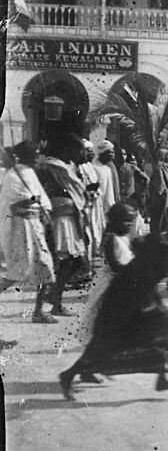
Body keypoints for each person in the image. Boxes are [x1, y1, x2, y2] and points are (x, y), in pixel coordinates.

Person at [58, 212, 168, 401]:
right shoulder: (167, 253)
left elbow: (137, 244)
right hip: (128, 301)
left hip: (131, 294)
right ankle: (68, 375)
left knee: (163, 331)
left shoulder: (157, 237)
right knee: (106, 343)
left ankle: (162, 378)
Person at [74, 203, 136, 381]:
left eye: (131, 221)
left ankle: (91, 368)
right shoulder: (110, 239)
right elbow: (114, 265)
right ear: (114, 221)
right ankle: (90, 367)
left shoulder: (125, 238)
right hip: (108, 289)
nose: (129, 225)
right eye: (125, 221)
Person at [0, 141, 58, 323]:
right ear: (23, 155)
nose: (36, 157)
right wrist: (32, 198)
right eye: (34, 153)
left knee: (45, 269)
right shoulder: (12, 175)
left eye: (38, 153)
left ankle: (38, 312)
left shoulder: (30, 173)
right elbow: (16, 204)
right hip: (20, 228)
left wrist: (37, 202)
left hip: (35, 226)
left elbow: (40, 199)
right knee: (16, 274)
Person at [37, 134, 90, 317]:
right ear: (67, 149)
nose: (80, 153)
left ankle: (55, 299)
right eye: (77, 150)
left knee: (74, 261)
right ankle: (45, 305)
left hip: (72, 217)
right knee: (57, 261)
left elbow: (76, 191)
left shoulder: (70, 167)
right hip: (58, 218)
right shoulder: (51, 166)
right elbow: (43, 191)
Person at [78, 140, 104, 259]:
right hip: (86, 204)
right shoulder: (79, 168)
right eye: (88, 151)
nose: (91, 154)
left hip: (94, 203)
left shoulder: (89, 166)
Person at [93, 140, 119, 218]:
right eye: (110, 152)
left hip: (109, 210)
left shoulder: (108, 169)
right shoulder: (94, 168)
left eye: (113, 153)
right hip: (98, 209)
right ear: (102, 153)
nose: (112, 155)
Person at [148, 148, 168, 233]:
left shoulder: (165, 167)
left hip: (163, 196)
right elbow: (160, 184)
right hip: (160, 197)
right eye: (167, 156)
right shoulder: (160, 167)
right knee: (157, 218)